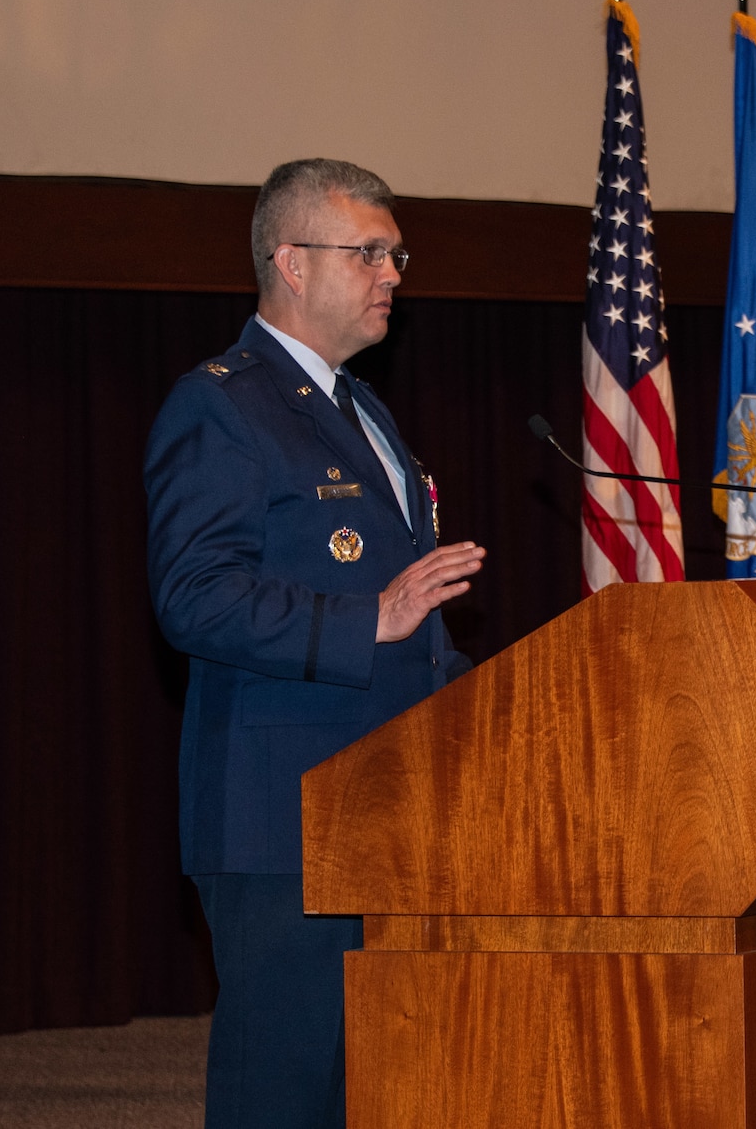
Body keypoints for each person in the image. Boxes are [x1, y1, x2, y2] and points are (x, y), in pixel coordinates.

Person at [145, 158, 485, 1128]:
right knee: (285, 1088)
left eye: (397, 254)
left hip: (390, 804)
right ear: (291, 261)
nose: (392, 274)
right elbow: (193, 597)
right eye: (368, 252)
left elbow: (410, 621)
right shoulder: (222, 403)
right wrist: (362, 619)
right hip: (283, 817)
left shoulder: (359, 408)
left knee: (375, 1087)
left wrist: (489, 696)